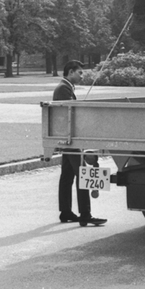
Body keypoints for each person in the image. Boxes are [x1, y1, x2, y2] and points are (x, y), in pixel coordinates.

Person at [54, 60, 107, 227]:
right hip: (71, 139)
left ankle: (66, 212)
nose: (81, 76)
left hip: (68, 138)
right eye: (79, 72)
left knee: (67, 175)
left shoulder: (66, 87)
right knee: (83, 174)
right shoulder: (64, 88)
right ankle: (85, 214)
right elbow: (69, 114)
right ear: (70, 72)